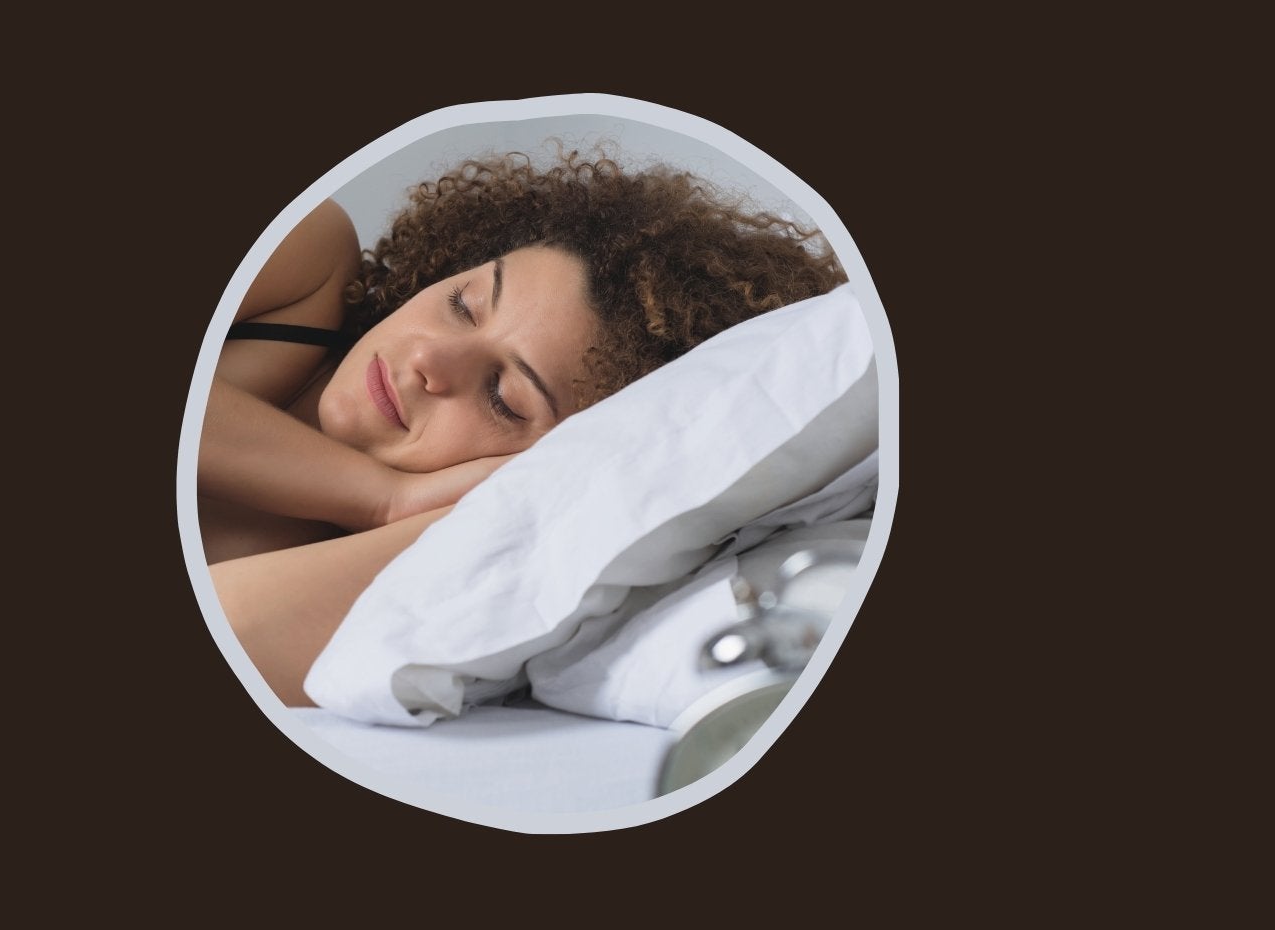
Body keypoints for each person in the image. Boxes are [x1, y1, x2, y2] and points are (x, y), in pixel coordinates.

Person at [199, 146, 845, 704]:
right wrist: (372, 493)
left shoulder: (410, 576)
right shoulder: (308, 263)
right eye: (463, 304)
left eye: (503, 397)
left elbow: (229, 626)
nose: (428, 360)